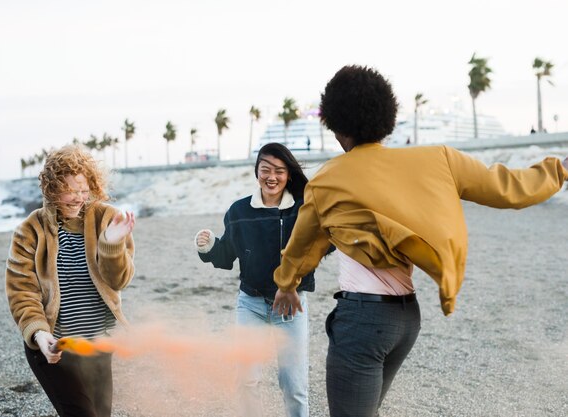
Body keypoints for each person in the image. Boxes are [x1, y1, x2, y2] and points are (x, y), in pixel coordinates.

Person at [272, 65, 568, 417]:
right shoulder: (438, 159)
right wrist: (559, 170)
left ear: (336, 129)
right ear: (388, 116)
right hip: (406, 320)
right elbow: (505, 187)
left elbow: (302, 247)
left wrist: (286, 285)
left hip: (362, 322)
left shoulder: (326, 182)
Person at [195, 142, 329, 417]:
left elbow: (323, 246)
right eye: (265, 169)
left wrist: (292, 282)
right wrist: (208, 247)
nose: (272, 177)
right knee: (246, 380)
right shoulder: (239, 211)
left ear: (289, 174)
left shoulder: (305, 209)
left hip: (292, 306)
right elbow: (226, 256)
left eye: (279, 171)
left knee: (293, 384)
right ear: (256, 171)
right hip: (251, 304)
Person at [6, 145, 135, 417]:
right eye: (70, 191)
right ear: (52, 189)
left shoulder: (107, 219)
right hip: (53, 347)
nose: (78, 198)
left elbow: (119, 281)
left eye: (83, 190)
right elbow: (22, 292)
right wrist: (40, 334)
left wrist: (111, 245)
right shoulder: (29, 231)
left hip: (97, 345)